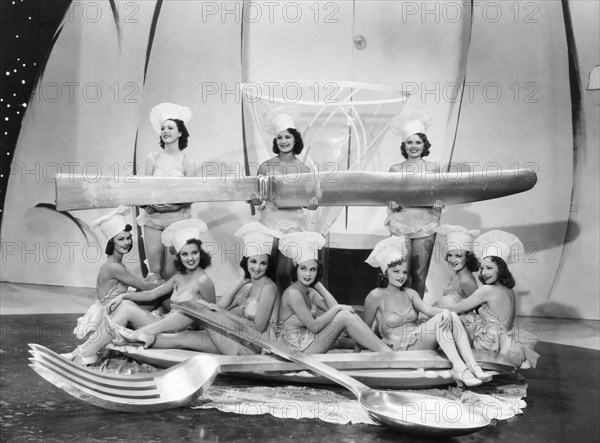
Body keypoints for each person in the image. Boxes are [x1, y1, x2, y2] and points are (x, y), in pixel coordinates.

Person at [363, 236, 492, 387]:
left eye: (404, 272)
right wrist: (357, 355)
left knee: (450, 314)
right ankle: (460, 368)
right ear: (385, 272)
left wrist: (444, 312)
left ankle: (472, 365)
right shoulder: (375, 295)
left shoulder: (410, 292)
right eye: (396, 271)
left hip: (418, 339)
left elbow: (429, 309)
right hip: (399, 347)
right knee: (442, 318)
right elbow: (365, 330)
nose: (401, 276)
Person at [148, 221, 284, 354]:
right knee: (182, 338)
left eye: (263, 263)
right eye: (253, 261)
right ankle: (137, 338)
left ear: (268, 265)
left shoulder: (268, 288)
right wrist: (241, 281)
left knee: (199, 307)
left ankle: (148, 330)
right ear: (246, 262)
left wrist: (222, 313)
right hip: (240, 339)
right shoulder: (249, 287)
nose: (257, 267)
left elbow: (258, 328)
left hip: (252, 347)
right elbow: (220, 305)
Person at [61, 206, 161, 364]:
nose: (127, 242)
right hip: (107, 314)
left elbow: (142, 283)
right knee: (154, 293)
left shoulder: (117, 263)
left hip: (111, 308)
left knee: (151, 288)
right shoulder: (114, 267)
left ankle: (76, 353)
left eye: (128, 238)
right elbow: (146, 287)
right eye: (121, 239)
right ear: (111, 242)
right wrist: (172, 286)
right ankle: (83, 355)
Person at [276, 231, 391, 354]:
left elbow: (334, 308)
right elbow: (314, 327)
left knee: (346, 313)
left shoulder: (309, 292)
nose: (308, 274)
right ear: (296, 268)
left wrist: (318, 285)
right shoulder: (293, 293)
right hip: (296, 350)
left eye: (313, 270)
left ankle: (386, 351)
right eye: (303, 269)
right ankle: (388, 354)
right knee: (344, 315)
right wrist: (339, 308)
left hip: (308, 342)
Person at [249, 106, 318, 295]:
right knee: (265, 270)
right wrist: (255, 203)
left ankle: (285, 310)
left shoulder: (304, 169)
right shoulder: (265, 167)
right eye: (279, 137)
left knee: (284, 272)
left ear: (295, 138)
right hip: (268, 225)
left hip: (293, 227)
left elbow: (308, 200)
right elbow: (259, 199)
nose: (283, 141)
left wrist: (311, 205)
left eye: (287, 137)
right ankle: (267, 312)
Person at [447, 230, 540, 369]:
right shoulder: (509, 289)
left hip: (489, 345)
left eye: (489, 268)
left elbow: (454, 309)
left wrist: (423, 308)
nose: (484, 273)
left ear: (501, 269)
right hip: (504, 340)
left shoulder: (488, 290)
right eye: (482, 268)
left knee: (448, 321)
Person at [385, 111, 442, 299]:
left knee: (419, 274)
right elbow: (387, 195)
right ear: (404, 145)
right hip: (401, 223)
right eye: (409, 142)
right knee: (401, 272)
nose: (414, 146)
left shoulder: (433, 168)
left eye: (418, 142)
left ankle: (415, 314)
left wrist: (440, 202)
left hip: (426, 223)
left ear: (424, 144)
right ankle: (398, 310)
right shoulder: (395, 169)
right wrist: (391, 202)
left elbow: (439, 193)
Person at [137, 103, 197, 283]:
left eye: (170, 127)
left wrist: (172, 205)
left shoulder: (187, 161)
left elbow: (191, 196)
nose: (165, 131)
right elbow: (143, 191)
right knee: (154, 272)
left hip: (177, 220)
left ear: (180, 132)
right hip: (153, 219)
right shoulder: (152, 159)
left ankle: (170, 309)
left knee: (171, 272)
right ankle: (153, 309)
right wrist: (149, 205)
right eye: (163, 128)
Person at [434, 225, 481, 309]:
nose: (452, 260)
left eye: (458, 256)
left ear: (467, 257)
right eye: (450, 255)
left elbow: (478, 307)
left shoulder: (466, 281)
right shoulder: (454, 274)